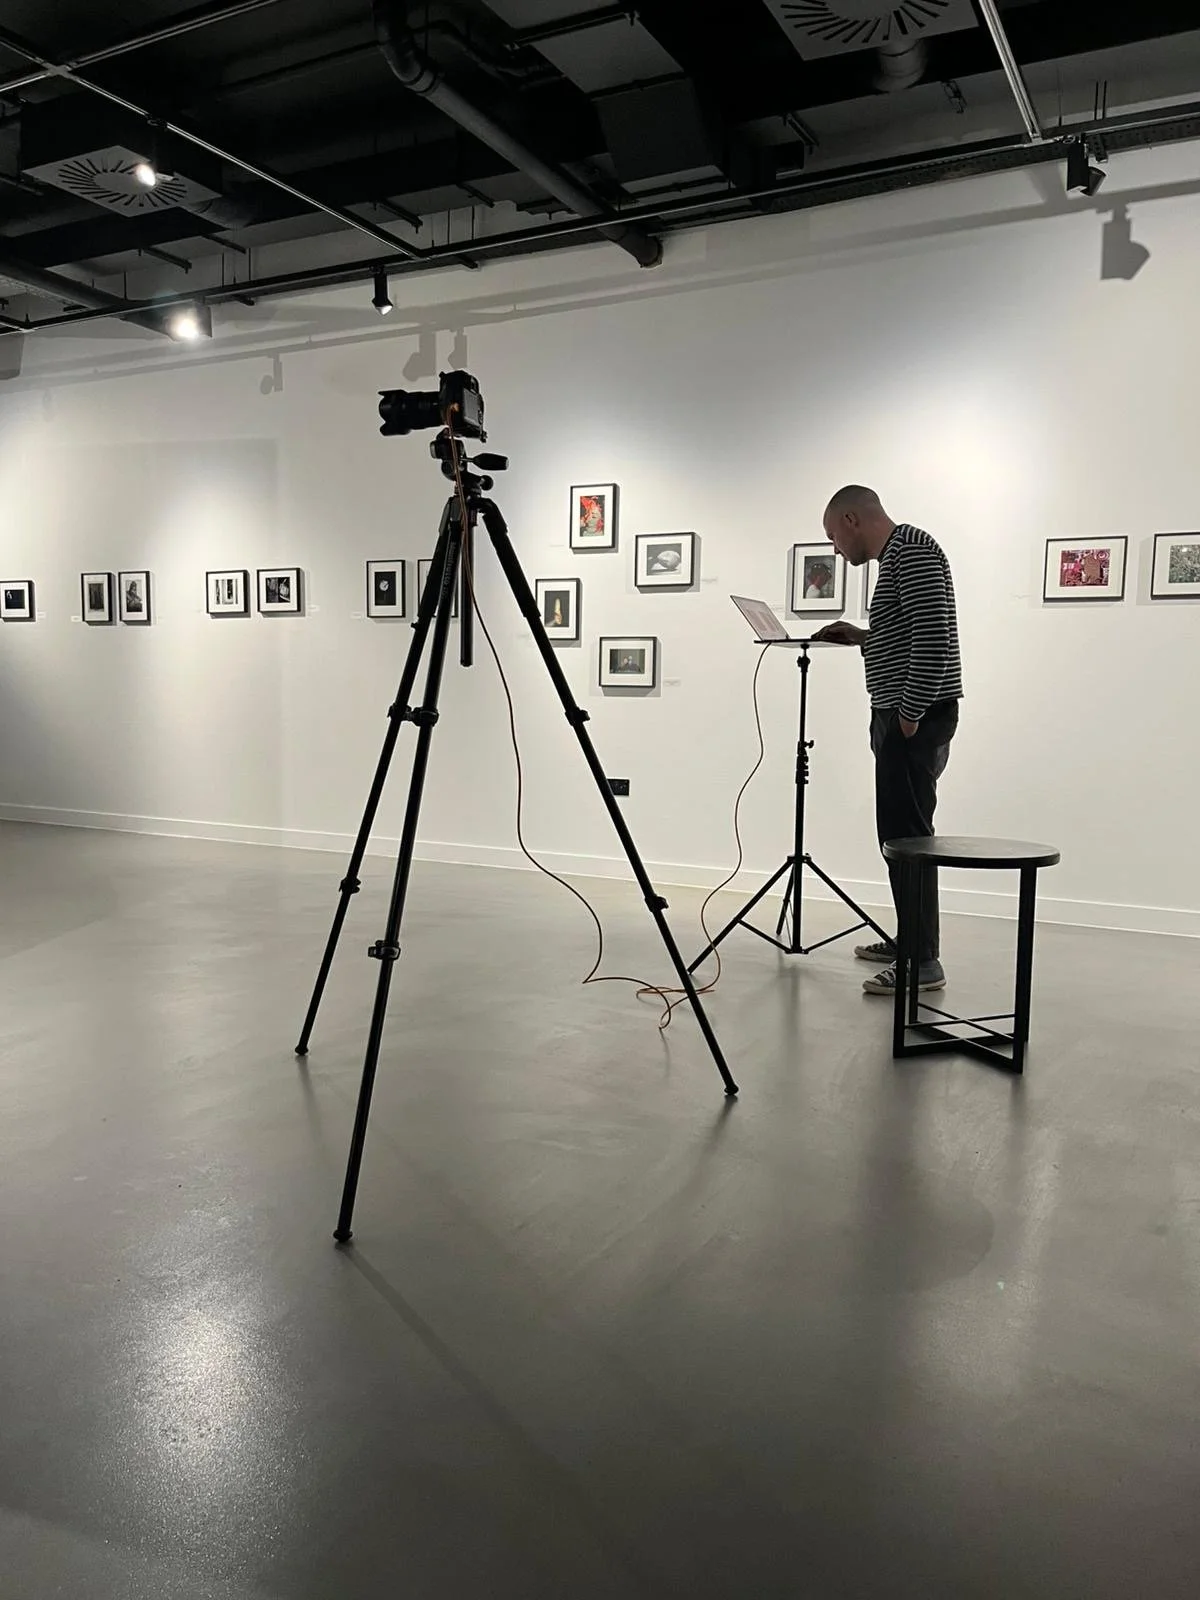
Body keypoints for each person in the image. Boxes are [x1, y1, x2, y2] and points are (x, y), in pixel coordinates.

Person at [813, 486, 962, 996]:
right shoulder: (899, 555)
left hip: (912, 718)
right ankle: (912, 942)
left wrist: (909, 714)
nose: (835, 549)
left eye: (834, 536)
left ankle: (923, 963)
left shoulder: (912, 550)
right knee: (900, 837)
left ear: (852, 519)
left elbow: (934, 635)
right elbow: (909, 631)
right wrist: (862, 636)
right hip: (903, 715)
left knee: (908, 839)